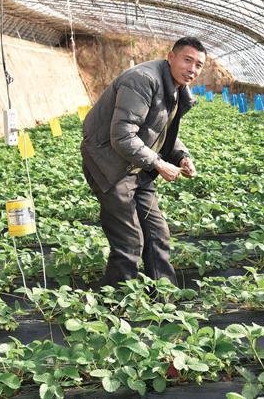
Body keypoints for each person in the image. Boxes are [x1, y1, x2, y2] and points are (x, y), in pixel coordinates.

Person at [80, 37, 206, 287]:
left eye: (199, 65)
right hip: (110, 164)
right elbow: (122, 135)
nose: (192, 69)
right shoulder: (142, 80)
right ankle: (120, 301)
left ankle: (163, 298)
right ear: (171, 57)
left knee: (157, 233)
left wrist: (181, 156)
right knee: (129, 240)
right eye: (187, 60)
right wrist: (159, 164)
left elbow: (160, 129)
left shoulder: (178, 87)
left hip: (138, 165)